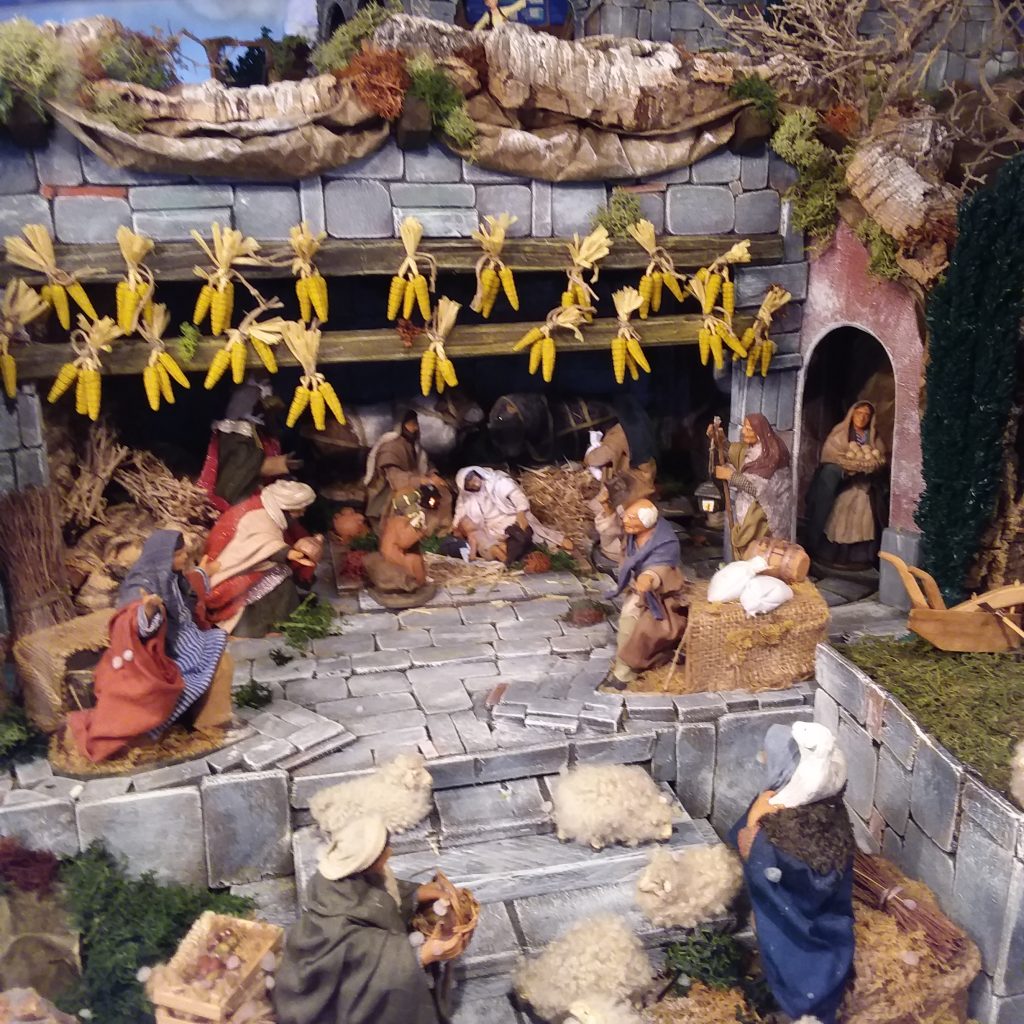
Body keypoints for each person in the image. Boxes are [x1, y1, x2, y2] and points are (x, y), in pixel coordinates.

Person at [274, 815, 470, 1024]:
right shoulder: (336, 924)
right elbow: (364, 964)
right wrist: (424, 954)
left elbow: (373, 898)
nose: (389, 853)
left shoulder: (347, 875)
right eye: (384, 851)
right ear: (369, 860)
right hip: (328, 999)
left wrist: (414, 895)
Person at [67, 530, 233, 762]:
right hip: (165, 652)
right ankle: (153, 735)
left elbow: (186, 591)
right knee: (196, 677)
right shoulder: (141, 584)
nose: (185, 558)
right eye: (180, 554)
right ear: (165, 557)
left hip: (188, 639)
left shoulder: (171, 576)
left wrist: (203, 573)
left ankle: (210, 722)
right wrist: (148, 611)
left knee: (221, 661)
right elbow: (133, 621)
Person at [728, 723, 855, 1024]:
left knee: (797, 958)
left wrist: (756, 849)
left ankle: (802, 1005)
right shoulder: (793, 804)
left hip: (803, 909)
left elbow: (801, 870)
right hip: (812, 897)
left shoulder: (796, 820)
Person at [203, 480, 324, 637]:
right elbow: (259, 544)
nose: (302, 513)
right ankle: (264, 627)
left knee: (282, 576)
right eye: (299, 510)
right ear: (286, 507)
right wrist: (287, 553)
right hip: (231, 575)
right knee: (280, 581)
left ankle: (279, 621)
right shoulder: (259, 516)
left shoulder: (267, 511)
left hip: (251, 566)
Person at [604, 499, 688, 688]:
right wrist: (607, 508)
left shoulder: (666, 542)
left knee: (634, 625)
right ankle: (626, 667)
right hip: (639, 589)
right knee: (628, 624)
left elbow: (663, 566)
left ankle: (624, 673)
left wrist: (649, 577)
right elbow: (613, 532)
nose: (626, 520)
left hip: (662, 594)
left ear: (647, 522)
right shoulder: (633, 533)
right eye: (626, 516)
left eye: (631, 518)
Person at [803, 401, 888, 567]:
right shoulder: (839, 435)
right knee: (839, 515)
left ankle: (858, 557)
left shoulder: (873, 438)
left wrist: (871, 467)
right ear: (852, 414)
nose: (862, 418)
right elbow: (829, 457)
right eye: (859, 413)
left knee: (863, 516)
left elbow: (880, 460)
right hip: (842, 487)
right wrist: (846, 470)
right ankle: (830, 552)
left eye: (866, 415)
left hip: (864, 488)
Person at [197, 378, 302, 513]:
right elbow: (241, 465)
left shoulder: (263, 433)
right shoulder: (235, 436)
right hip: (242, 498)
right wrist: (281, 463)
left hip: (263, 493)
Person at [712, 414, 794, 558]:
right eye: (744, 427)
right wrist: (720, 440)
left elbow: (758, 489)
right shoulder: (752, 447)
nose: (743, 431)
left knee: (756, 551)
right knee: (745, 551)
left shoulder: (771, 456)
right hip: (747, 511)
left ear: (759, 432)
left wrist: (730, 476)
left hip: (762, 517)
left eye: (749, 429)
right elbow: (735, 453)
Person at [453, 466, 569, 565]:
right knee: (490, 544)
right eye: (469, 484)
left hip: (510, 516)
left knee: (533, 534)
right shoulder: (466, 497)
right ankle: (512, 560)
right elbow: (460, 513)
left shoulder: (497, 481)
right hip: (491, 528)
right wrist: (455, 526)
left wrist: (521, 513)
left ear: (477, 473)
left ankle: (558, 549)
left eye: (472, 479)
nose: (473, 483)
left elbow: (517, 496)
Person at [364, 410, 448, 528]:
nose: (416, 428)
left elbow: (425, 464)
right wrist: (422, 480)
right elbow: (395, 478)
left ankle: (437, 528)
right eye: (412, 424)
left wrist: (433, 474)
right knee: (406, 501)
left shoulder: (415, 446)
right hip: (390, 492)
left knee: (443, 493)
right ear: (402, 425)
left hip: (414, 485)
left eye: (416, 424)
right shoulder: (390, 447)